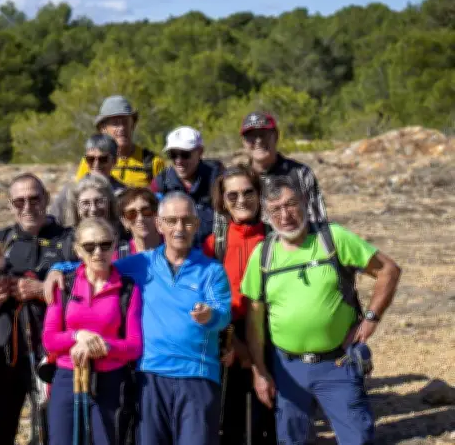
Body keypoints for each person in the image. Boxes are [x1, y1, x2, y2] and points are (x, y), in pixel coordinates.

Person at [46, 192, 233, 445]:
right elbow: (95, 264)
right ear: (160, 225)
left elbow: (223, 315)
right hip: (150, 376)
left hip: (196, 375)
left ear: (197, 225)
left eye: (187, 221)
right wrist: (57, 269)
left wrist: (211, 315)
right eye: (172, 221)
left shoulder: (211, 271)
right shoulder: (140, 264)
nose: (179, 228)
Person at [241, 176, 401, 445]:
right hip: (287, 368)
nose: (286, 215)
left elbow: (389, 270)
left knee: (357, 438)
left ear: (305, 202)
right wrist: (260, 371)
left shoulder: (332, 237)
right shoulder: (263, 254)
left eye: (291, 204)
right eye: (276, 209)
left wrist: (372, 318)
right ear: (267, 216)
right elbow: (254, 323)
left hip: (337, 364)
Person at [0, 173, 76, 445]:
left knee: (48, 431)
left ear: (46, 198)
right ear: (10, 205)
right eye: (19, 201)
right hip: (6, 349)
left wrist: (42, 289)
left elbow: (87, 286)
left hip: (51, 353)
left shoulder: (68, 240)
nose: (27, 206)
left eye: (34, 199)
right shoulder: (1, 240)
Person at [42, 217, 143, 445]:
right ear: (78, 250)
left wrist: (103, 346)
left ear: (114, 246)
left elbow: (134, 345)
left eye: (105, 245)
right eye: (89, 247)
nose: (98, 252)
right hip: (68, 377)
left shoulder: (127, 289)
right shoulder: (65, 286)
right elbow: (49, 340)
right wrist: (78, 336)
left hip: (110, 380)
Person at [201, 165, 273, 444]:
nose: (241, 201)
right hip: (228, 332)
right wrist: (232, 342)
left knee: (269, 410)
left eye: (248, 192)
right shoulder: (213, 244)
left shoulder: (274, 238)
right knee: (229, 415)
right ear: (222, 201)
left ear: (259, 194)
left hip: (271, 332)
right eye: (232, 196)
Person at [239, 112, 327, 225]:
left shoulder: (301, 174)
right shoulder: (239, 179)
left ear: (276, 136)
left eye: (263, 134)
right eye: (251, 136)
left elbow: (319, 221)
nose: (258, 140)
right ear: (243, 142)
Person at [150, 126, 223, 246]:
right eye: (173, 155)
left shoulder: (217, 178)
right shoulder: (160, 184)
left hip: (213, 252)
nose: (178, 161)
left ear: (200, 152)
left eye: (185, 154)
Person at [74, 96, 165, 188]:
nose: (121, 128)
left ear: (132, 125)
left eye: (125, 122)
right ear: (103, 128)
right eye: (115, 123)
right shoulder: (91, 162)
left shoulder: (153, 163)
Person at [50, 134, 127, 223]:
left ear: (114, 161)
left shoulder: (124, 194)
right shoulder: (70, 191)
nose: (96, 164)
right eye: (91, 159)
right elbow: (53, 221)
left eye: (103, 159)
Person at [117, 187, 162, 255]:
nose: (140, 218)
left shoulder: (175, 246)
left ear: (157, 214)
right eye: (131, 214)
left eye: (146, 211)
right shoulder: (118, 257)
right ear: (124, 222)